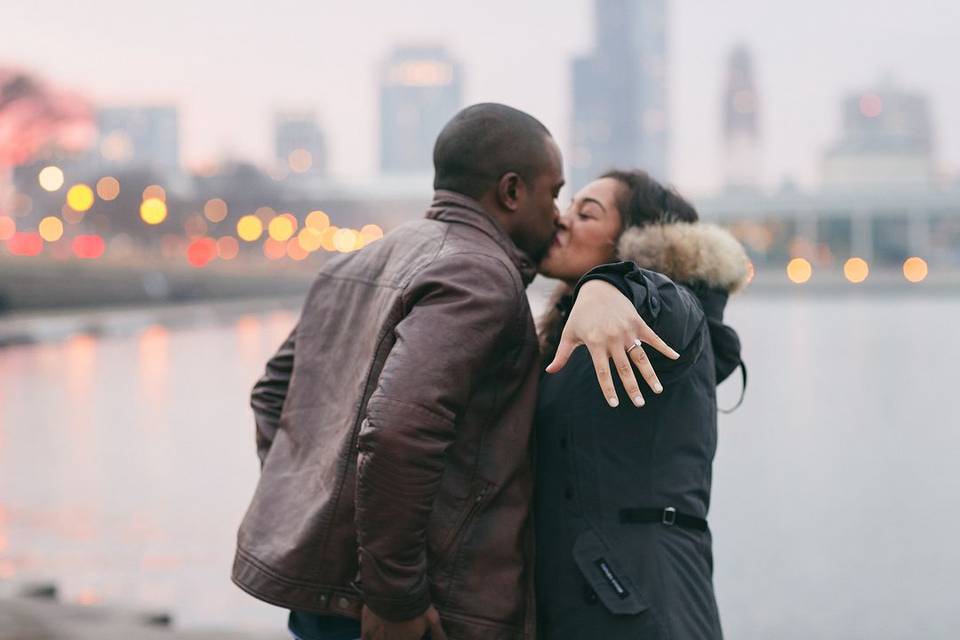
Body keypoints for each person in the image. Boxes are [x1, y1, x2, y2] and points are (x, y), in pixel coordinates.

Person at [232, 105, 679, 640]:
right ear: (511, 192)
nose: (558, 214)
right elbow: (399, 432)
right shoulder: (481, 276)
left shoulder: (356, 262)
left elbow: (272, 396)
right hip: (421, 614)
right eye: (553, 192)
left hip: (330, 603)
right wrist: (396, 596)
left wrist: (326, 518)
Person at [535, 170, 749, 639]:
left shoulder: (667, 315)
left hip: (642, 607)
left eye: (586, 212)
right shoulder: (568, 335)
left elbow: (669, 308)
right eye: (567, 207)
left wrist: (611, 285)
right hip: (584, 604)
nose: (562, 220)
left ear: (636, 238)